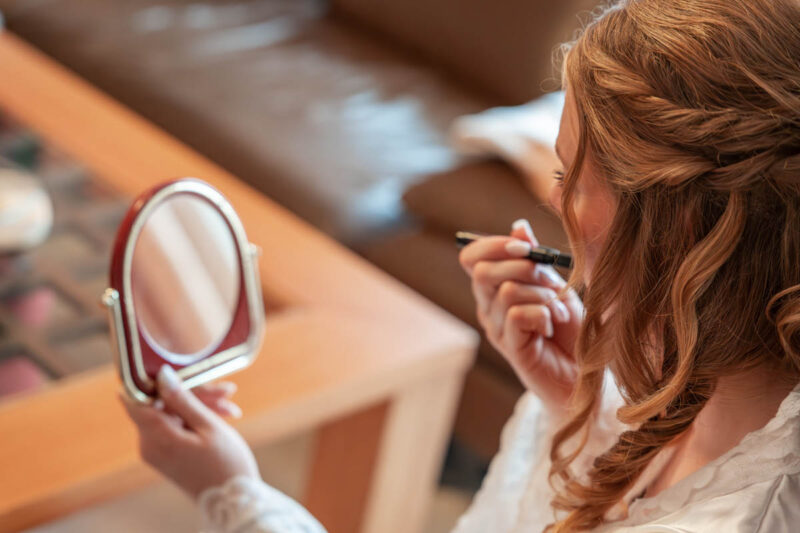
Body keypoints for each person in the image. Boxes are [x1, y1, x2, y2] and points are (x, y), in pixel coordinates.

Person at [123, 0, 800, 530]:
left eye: (570, 175)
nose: (552, 197)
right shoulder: (720, 387)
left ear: (678, 230)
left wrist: (231, 492)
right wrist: (574, 408)